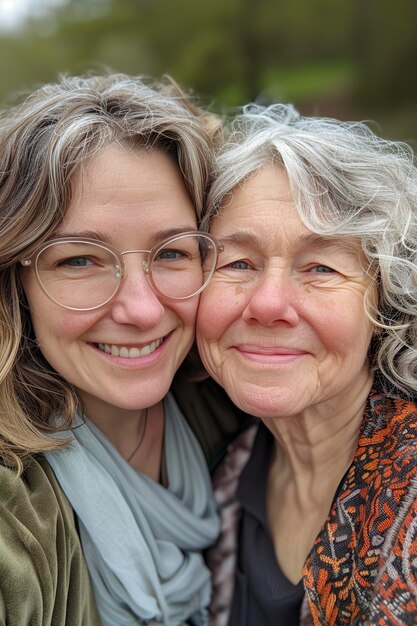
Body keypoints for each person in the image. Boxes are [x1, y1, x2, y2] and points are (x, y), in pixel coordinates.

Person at [0, 72, 245, 626]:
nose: (142, 309)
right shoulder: (14, 506)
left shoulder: (232, 401)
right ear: (17, 281)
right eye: (79, 260)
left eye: (172, 253)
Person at [196, 103, 417, 625]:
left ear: (383, 299)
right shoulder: (220, 474)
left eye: (320, 266)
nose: (269, 304)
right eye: (238, 263)